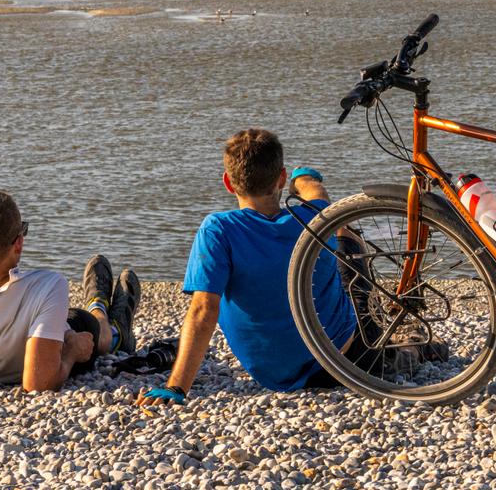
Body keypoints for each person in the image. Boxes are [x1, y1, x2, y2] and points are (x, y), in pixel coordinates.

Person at [137, 129, 356, 405]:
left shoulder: (219, 230)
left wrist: (176, 388)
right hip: (343, 361)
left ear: (228, 183)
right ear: (281, 178)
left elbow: (204, 309)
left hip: (275, 375)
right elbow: (318, 192)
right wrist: (303, 177)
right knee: (343, 230)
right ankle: (414, 345)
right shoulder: (310, 215)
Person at [0, 190, 141, 392]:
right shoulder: (48, 285)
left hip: (4, 349)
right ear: (18, 243)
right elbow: (38, 384)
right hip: (57, 332)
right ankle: (109, 322)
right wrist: (71, 352)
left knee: (59, 319)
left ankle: (101, 307)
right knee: (89, 328)